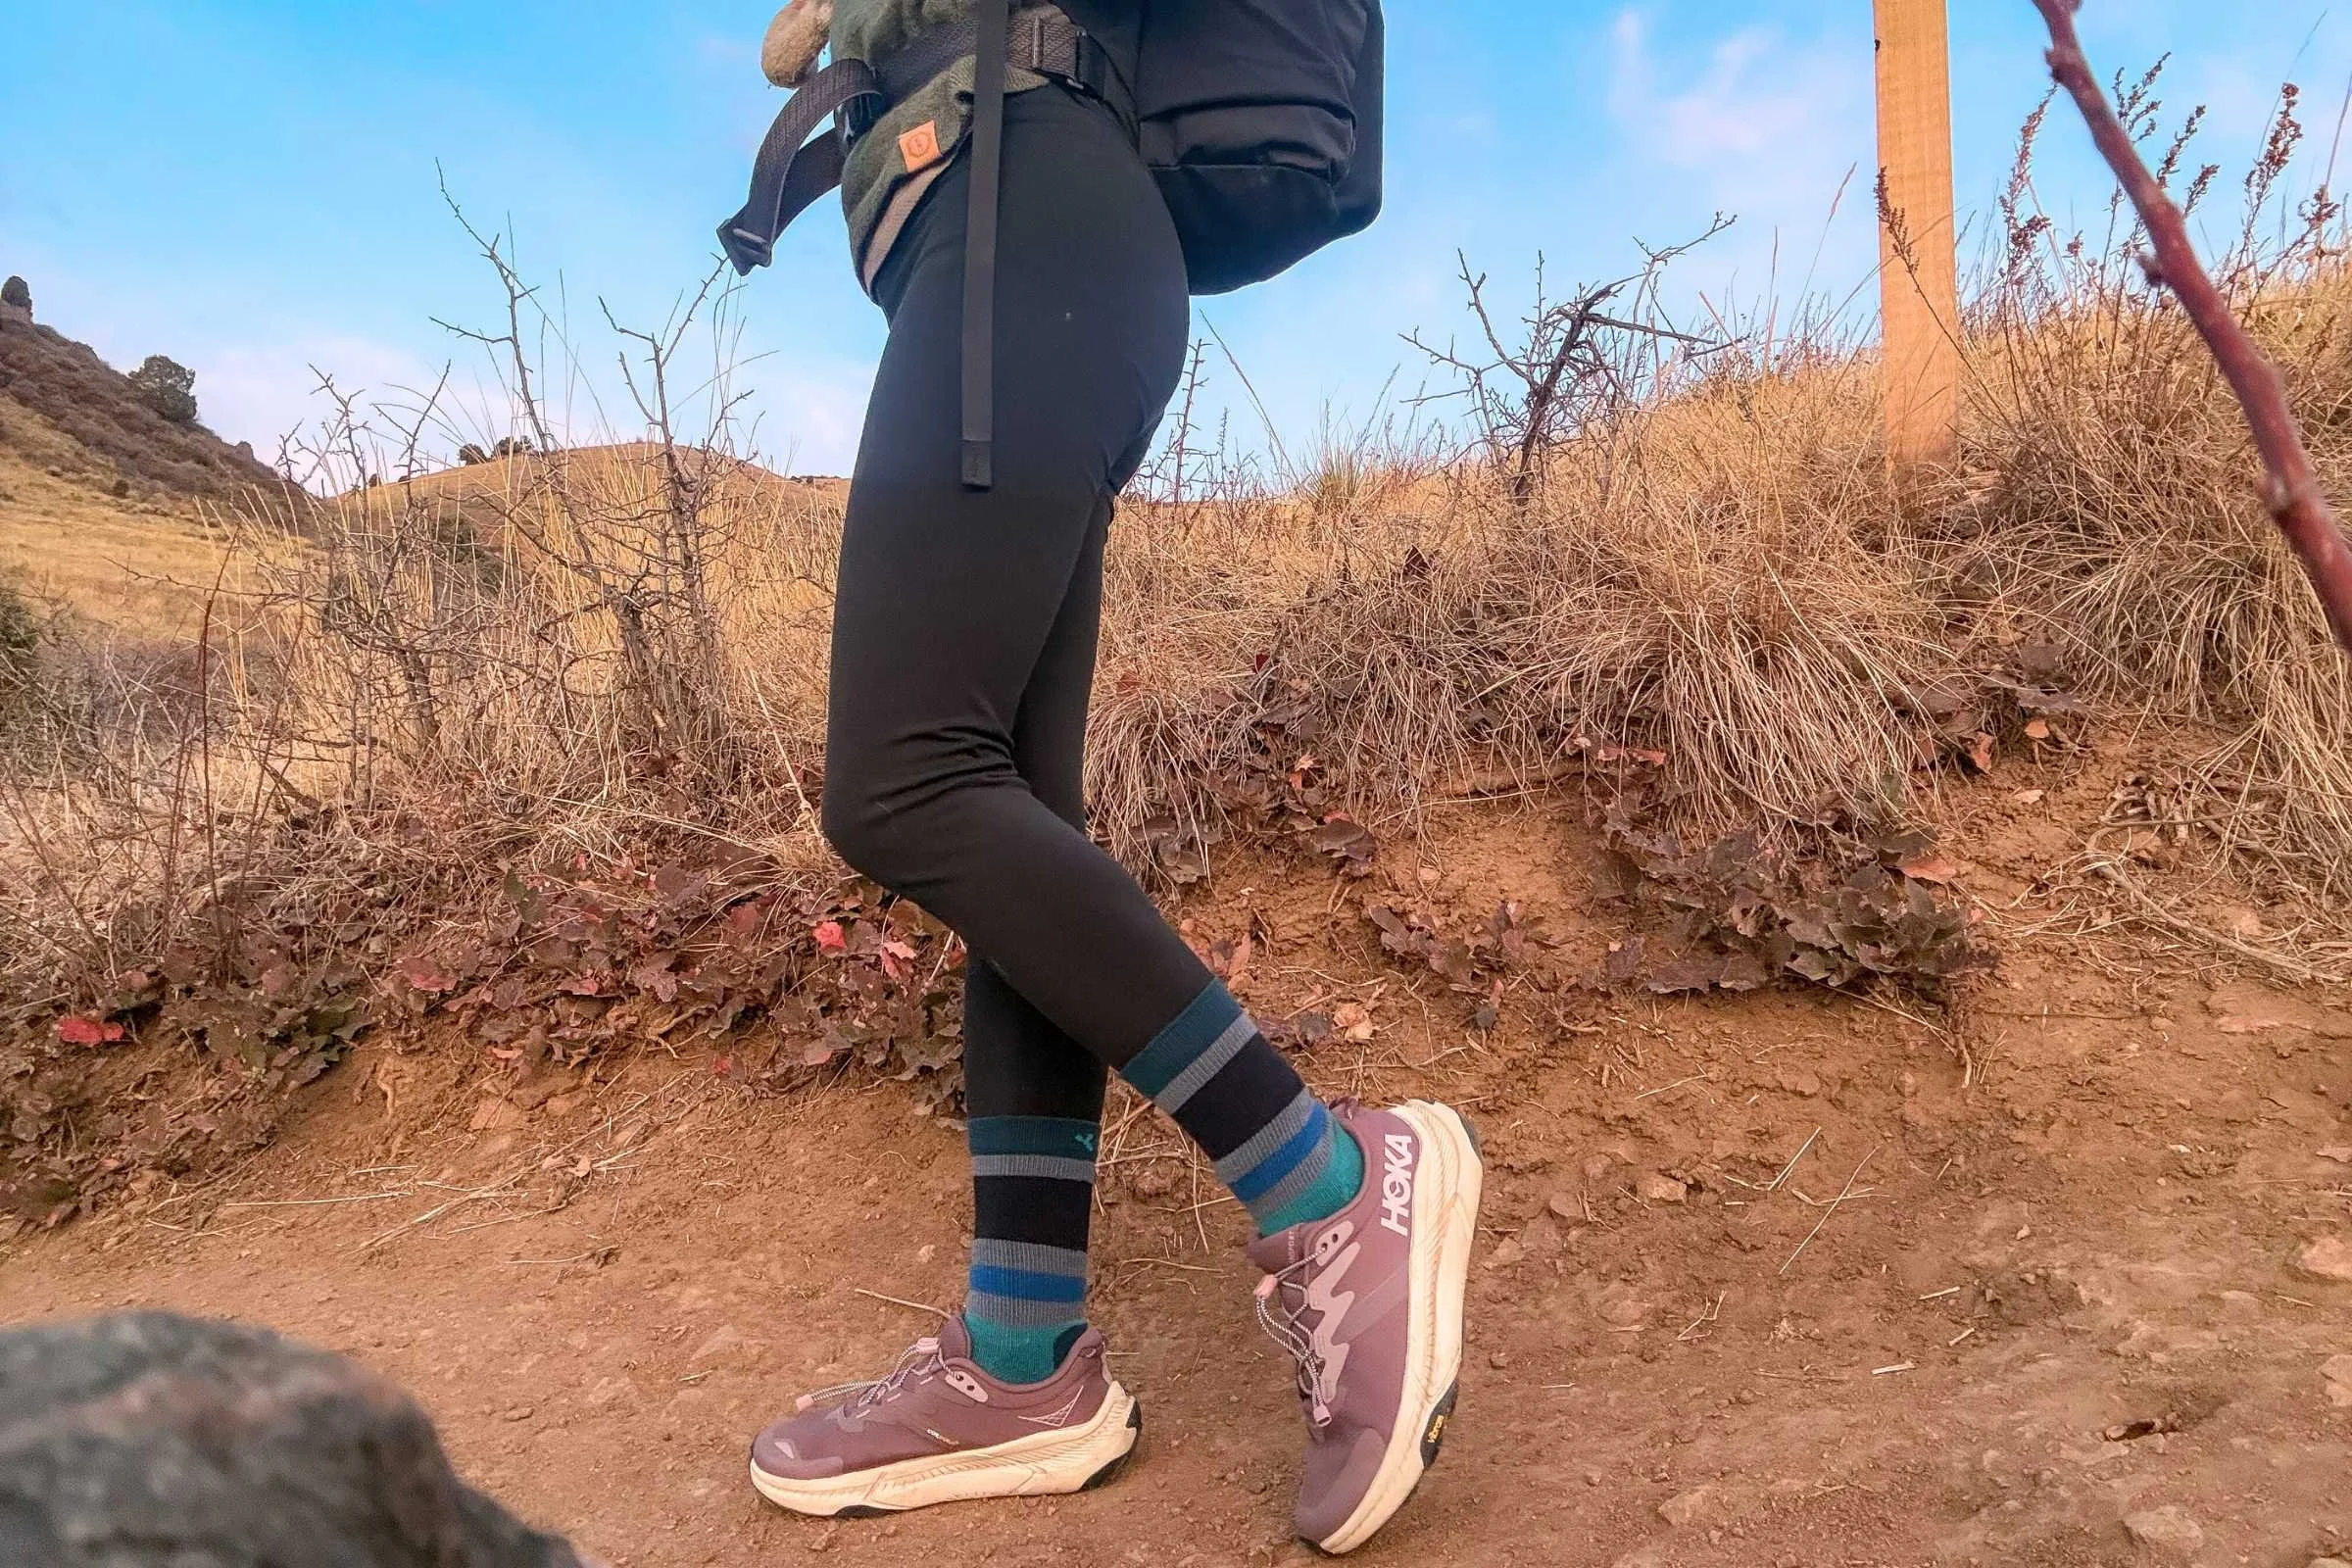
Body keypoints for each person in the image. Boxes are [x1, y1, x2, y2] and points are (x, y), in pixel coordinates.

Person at [742, 0, 1484, 1552]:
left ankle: (1330, 1181)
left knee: (903, 780)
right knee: (1001, 794)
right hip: (1015, 239)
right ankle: (1022, 1364)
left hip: (1029, 213)